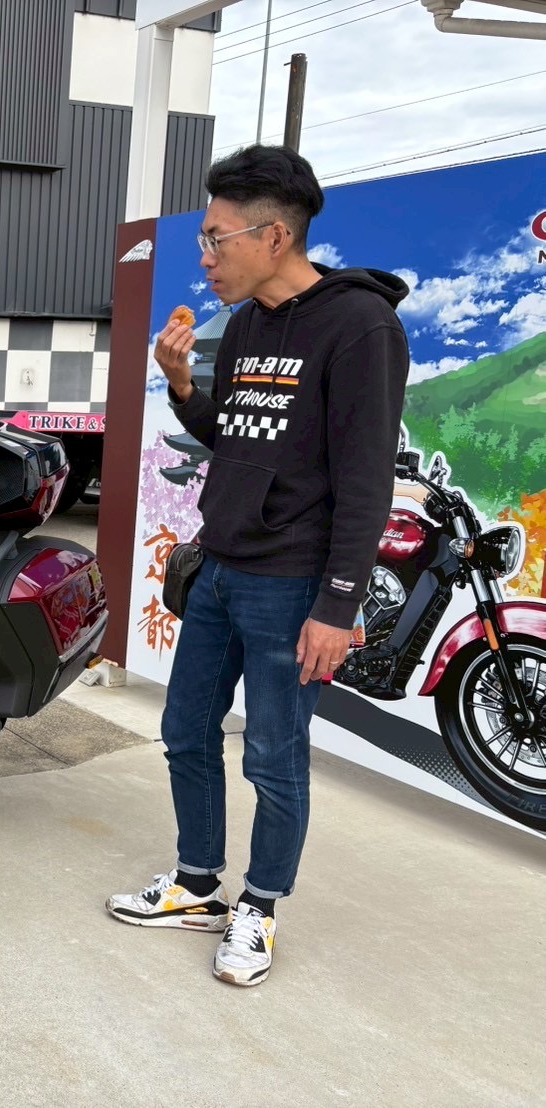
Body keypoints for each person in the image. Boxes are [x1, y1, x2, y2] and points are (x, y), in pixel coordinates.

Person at [106, 145, 409, 986]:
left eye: (217, 238)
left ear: (273, 237)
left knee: (273, 755)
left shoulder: (360, 326)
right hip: (219, 567)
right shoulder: (242, 327)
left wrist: (337, 606)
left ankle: (260, 905)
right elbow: (234, 438)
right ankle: (198, 883)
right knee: (184, 731)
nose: (205, 257)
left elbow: (365, 481)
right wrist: (181, 388)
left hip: (293, 587)